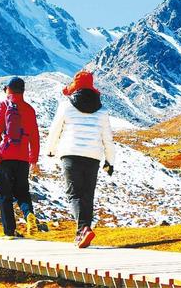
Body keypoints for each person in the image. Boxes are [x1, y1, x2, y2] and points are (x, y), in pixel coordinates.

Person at [44, 70, 115, 249]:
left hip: (70, 153)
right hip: (93, 156)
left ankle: (83, 229)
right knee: (87, 195)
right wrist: (110, 161)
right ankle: (82, 233)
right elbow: (108, 138)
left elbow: (55, 129)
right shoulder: (102, 111)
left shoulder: (66, 106)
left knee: (74, 194)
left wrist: (50, 149)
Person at [0, 76, 40, 239]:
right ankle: (28, 214)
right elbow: (34, 136)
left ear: (8, 89)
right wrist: (33, 159)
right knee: (22, 192)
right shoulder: (29, 109)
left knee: (4, 195)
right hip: (23, 157)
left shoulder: (4, 105)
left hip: (5, 156)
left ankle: (9, 232)